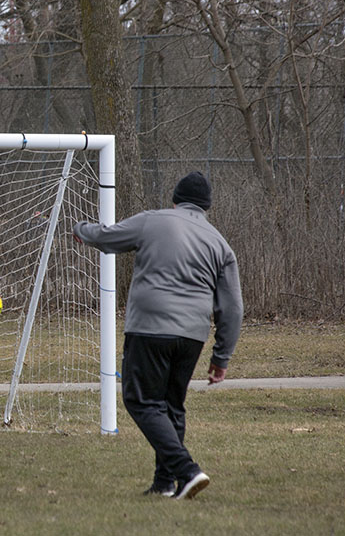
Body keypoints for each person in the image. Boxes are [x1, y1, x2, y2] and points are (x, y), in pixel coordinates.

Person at [72, 171, 243, 500]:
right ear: (207, 207)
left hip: (150, 327)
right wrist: (221, 357)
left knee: (141, 400)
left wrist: (80, 230)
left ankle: (186, 469)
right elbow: (233, 307)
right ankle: (166, 484)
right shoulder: (220, 244)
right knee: (171, 406)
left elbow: (107, 236)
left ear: (174, 199)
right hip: (192, 335)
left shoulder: (154, 221)